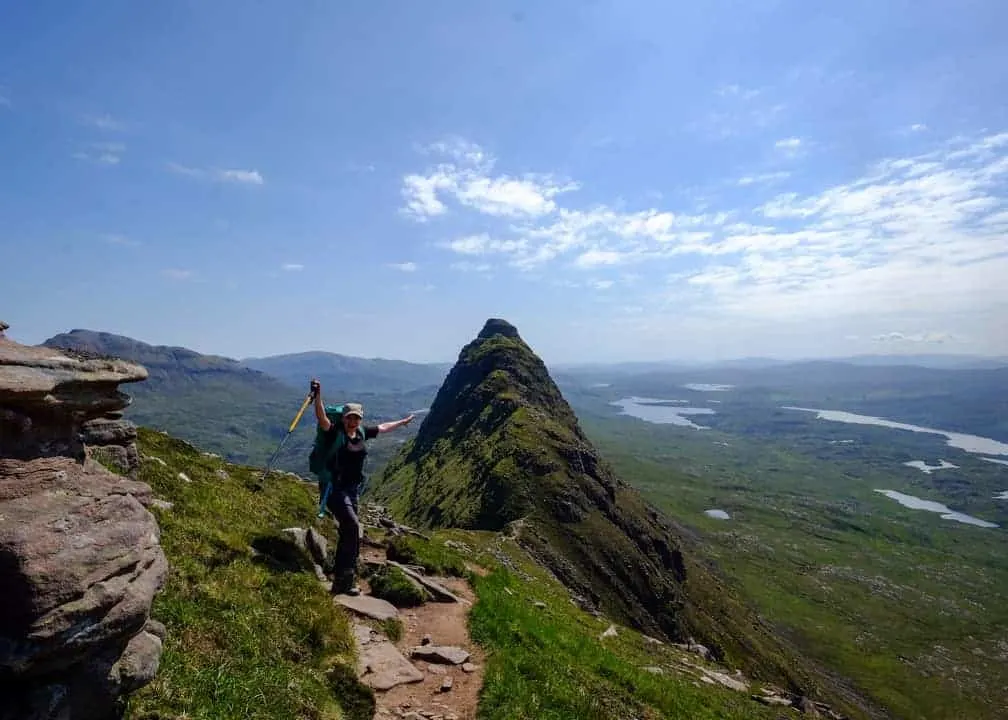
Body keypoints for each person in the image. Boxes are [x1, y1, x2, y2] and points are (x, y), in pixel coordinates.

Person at [310, 378, 415, 595]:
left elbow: (383, 427)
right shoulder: (334, 432)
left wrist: (402, 423)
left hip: (352, 489)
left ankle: (346, 576)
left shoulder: (362, 432)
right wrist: (318, 396)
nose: (353, 421)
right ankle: (342, 580)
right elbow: (321, 418)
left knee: (351, 531)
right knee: (351, 527)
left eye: (356, 418)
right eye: (350, 417)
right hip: (334, 488)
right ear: (344, 418)